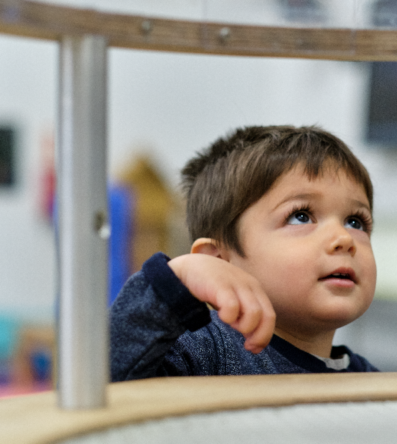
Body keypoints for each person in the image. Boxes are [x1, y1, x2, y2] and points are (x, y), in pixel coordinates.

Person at [110, 125, 379, 381]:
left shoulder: (370, 380)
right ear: (219, 261)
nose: (344, 239)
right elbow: (106, 376)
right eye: (301, 216)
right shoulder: (207, 351)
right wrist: (172, 283)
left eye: (356, 221)